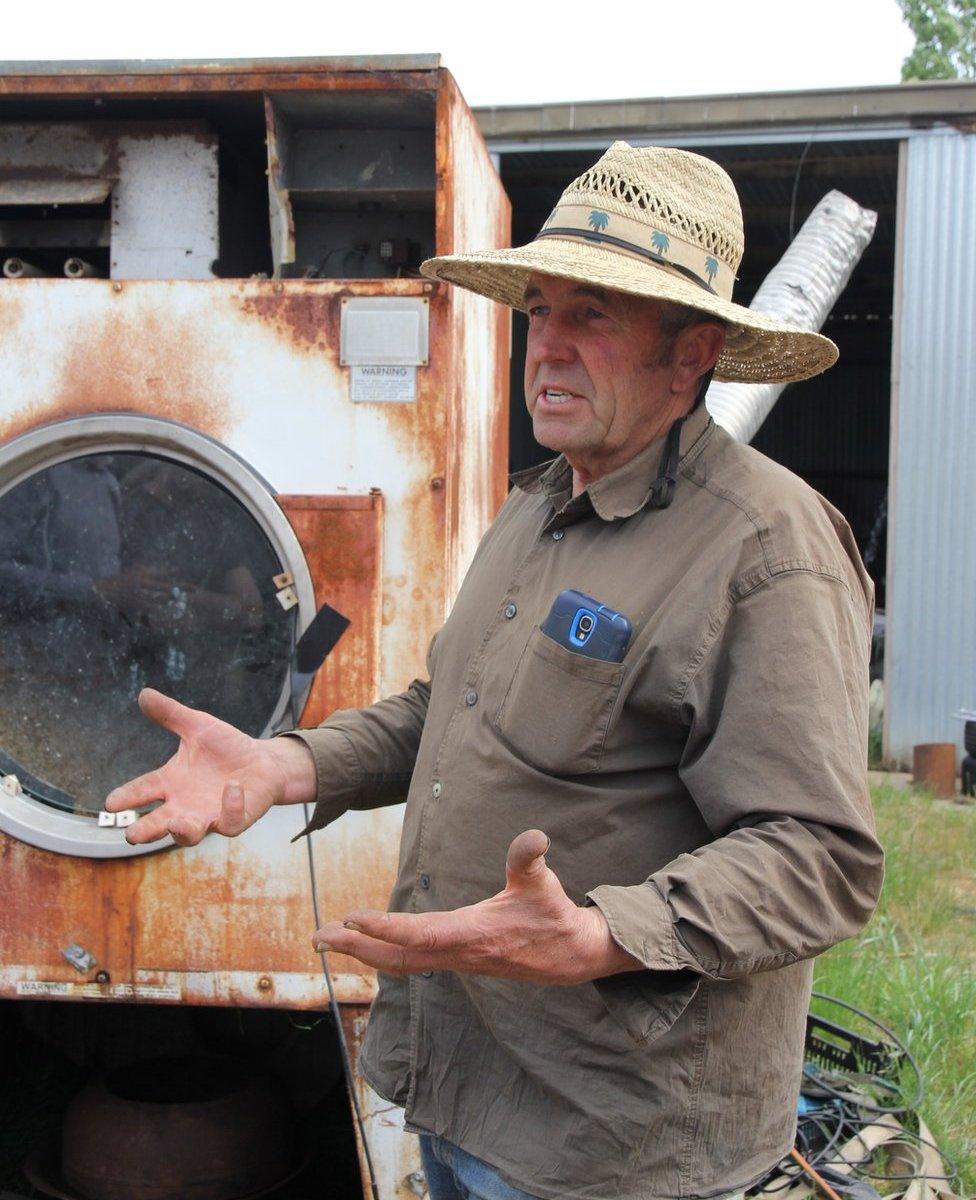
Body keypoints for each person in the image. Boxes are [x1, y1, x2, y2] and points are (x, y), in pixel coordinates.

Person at [106, 144, 883, 1200]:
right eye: (539, 311)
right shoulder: (537, 507)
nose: (547, 349)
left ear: (691, 354)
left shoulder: (766, 551)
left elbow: (819, 858)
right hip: (466, 1079)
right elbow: (450, 711)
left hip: (612, 1142)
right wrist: (286, 766)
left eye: (594, 316)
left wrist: (606, 934)